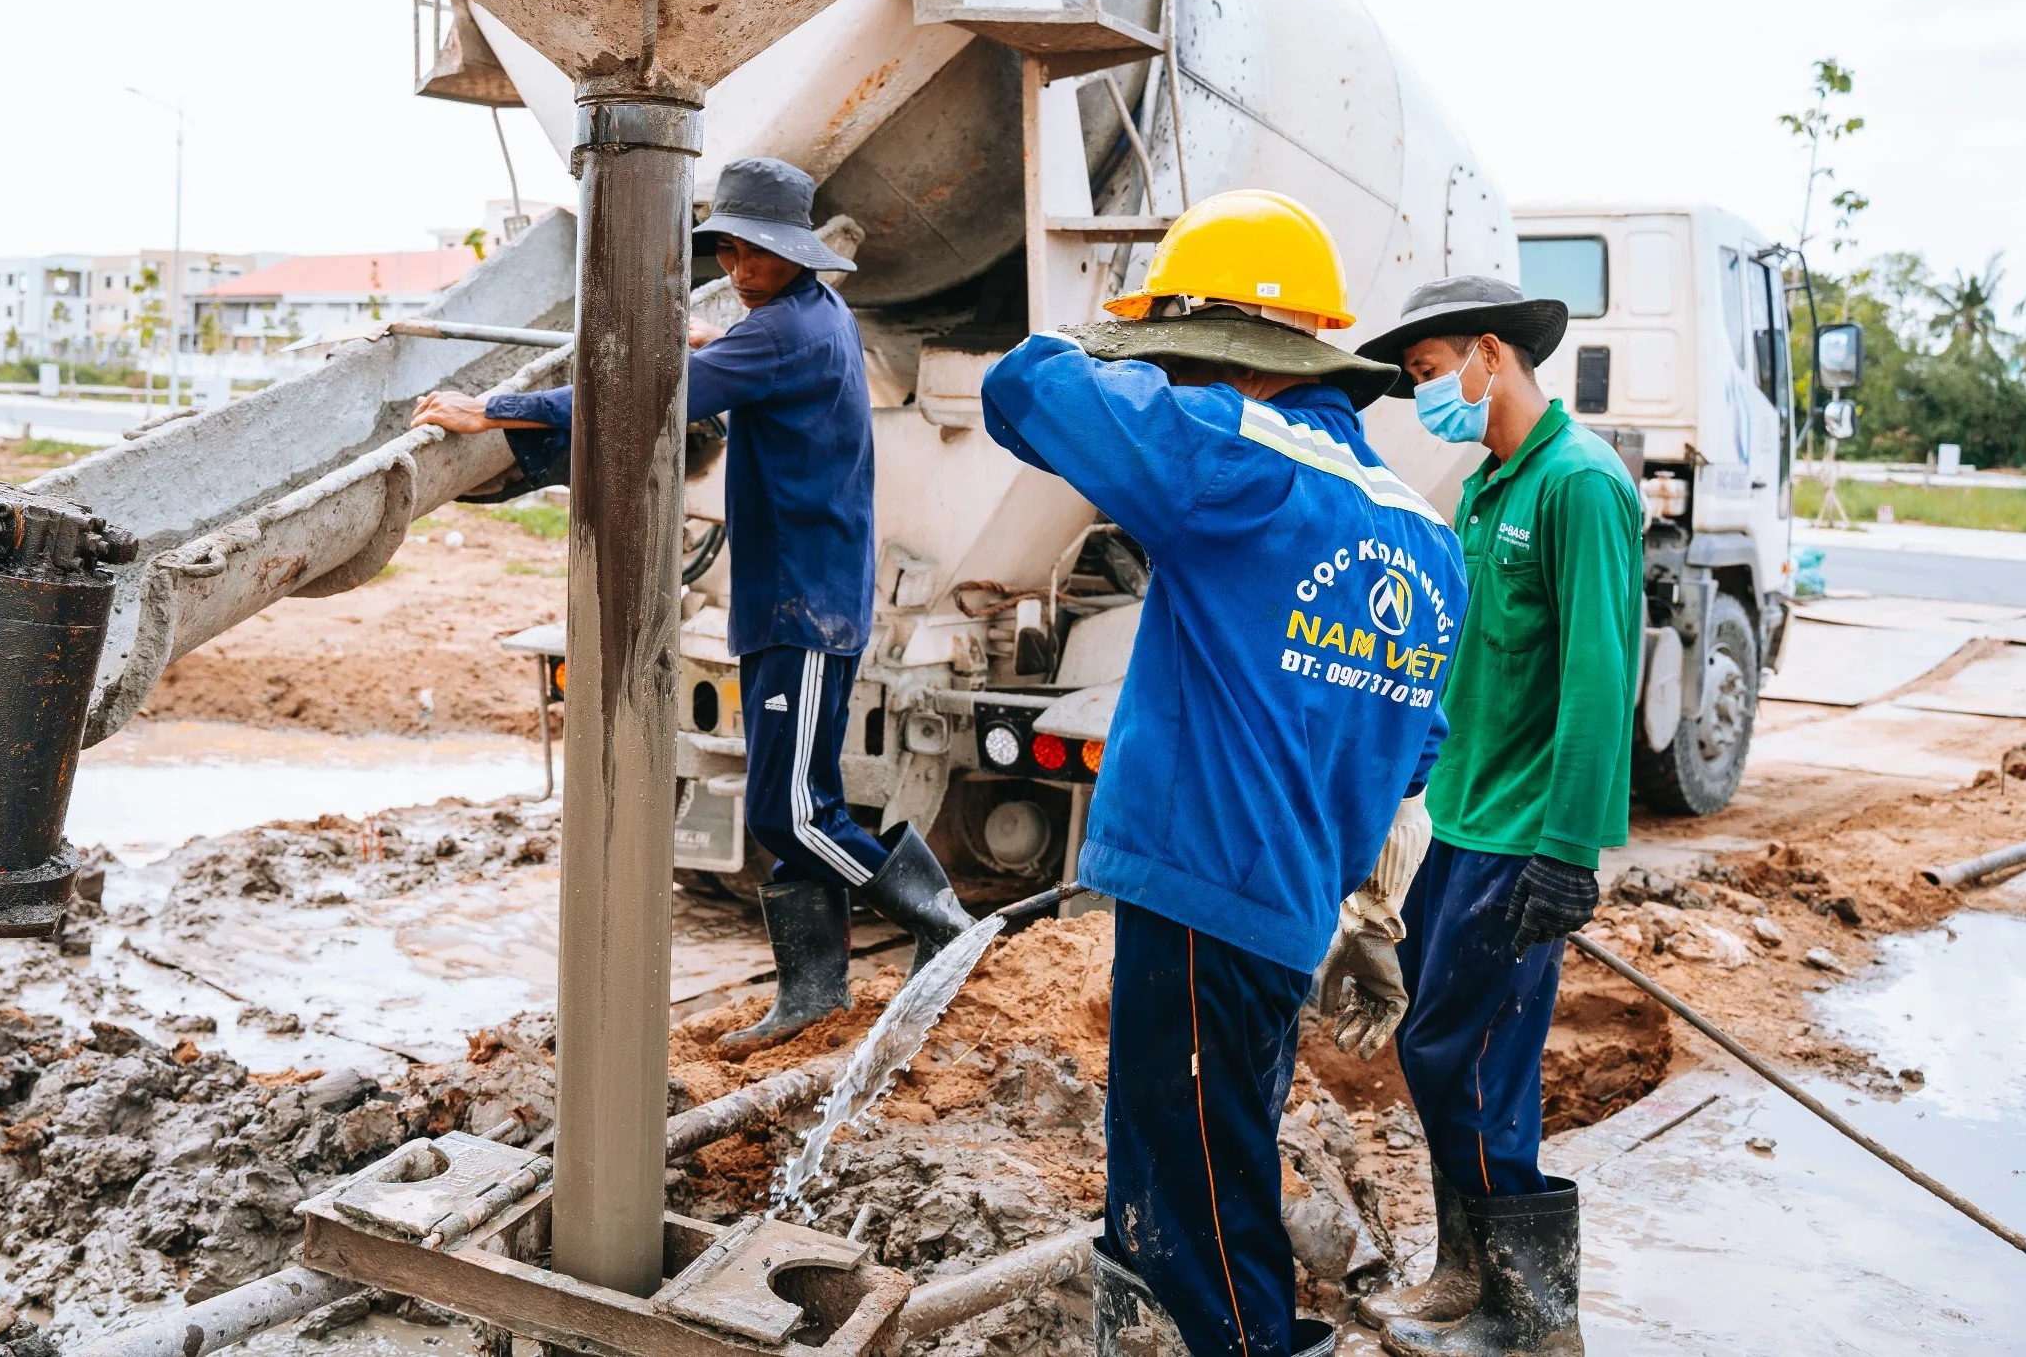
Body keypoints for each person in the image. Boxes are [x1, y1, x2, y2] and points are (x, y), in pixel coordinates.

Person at [980, 191, 1466, 1357]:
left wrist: (1120, 339)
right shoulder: (1423, 535)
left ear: (1228, 357)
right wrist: (1366, 912)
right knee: (1199, 1152)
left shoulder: (1234, 463)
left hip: (1203, 887)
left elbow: (1024, 387)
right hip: (1284, 908)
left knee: (1195, 1199)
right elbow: (1418, 749)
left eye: (1186, 358)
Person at [411, 156, 969, 1050]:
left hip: (804, 607)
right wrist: (711, 340)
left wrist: (497, 409)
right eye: (730, 251)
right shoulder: (810, 318)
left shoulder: (784, 334)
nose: (740, 268)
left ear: (794, 254)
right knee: (807, 796)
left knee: (784, 812)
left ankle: (943, 923)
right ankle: (813, 993)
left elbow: (641, 396)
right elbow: (740, 357)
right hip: (799, 596)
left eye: (756, 253)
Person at [1349, 276, 1641, 1357]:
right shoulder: (1484, 490)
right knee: (1441, 1058)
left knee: (1469, 1065)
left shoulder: (1580, 485)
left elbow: (1599, 685)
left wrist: (1568, 855)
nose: (1425, 395)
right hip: (1458, 826)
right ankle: (1461, 1274)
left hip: (1520, 838)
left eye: (1427, 375)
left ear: (1487, 354)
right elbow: (1461, 673)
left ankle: (1525, 1314)